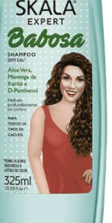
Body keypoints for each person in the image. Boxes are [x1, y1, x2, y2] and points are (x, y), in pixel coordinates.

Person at [28, 53, 92, 193]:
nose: (72, 86)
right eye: (66, 78)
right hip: (54, 193)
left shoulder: (92, 115)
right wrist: (45, 195)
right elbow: (34, 156)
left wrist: (96, 171)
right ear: (58, 80)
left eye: (79, 80)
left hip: (86, 192)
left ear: (86, 84)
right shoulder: (41, 114)